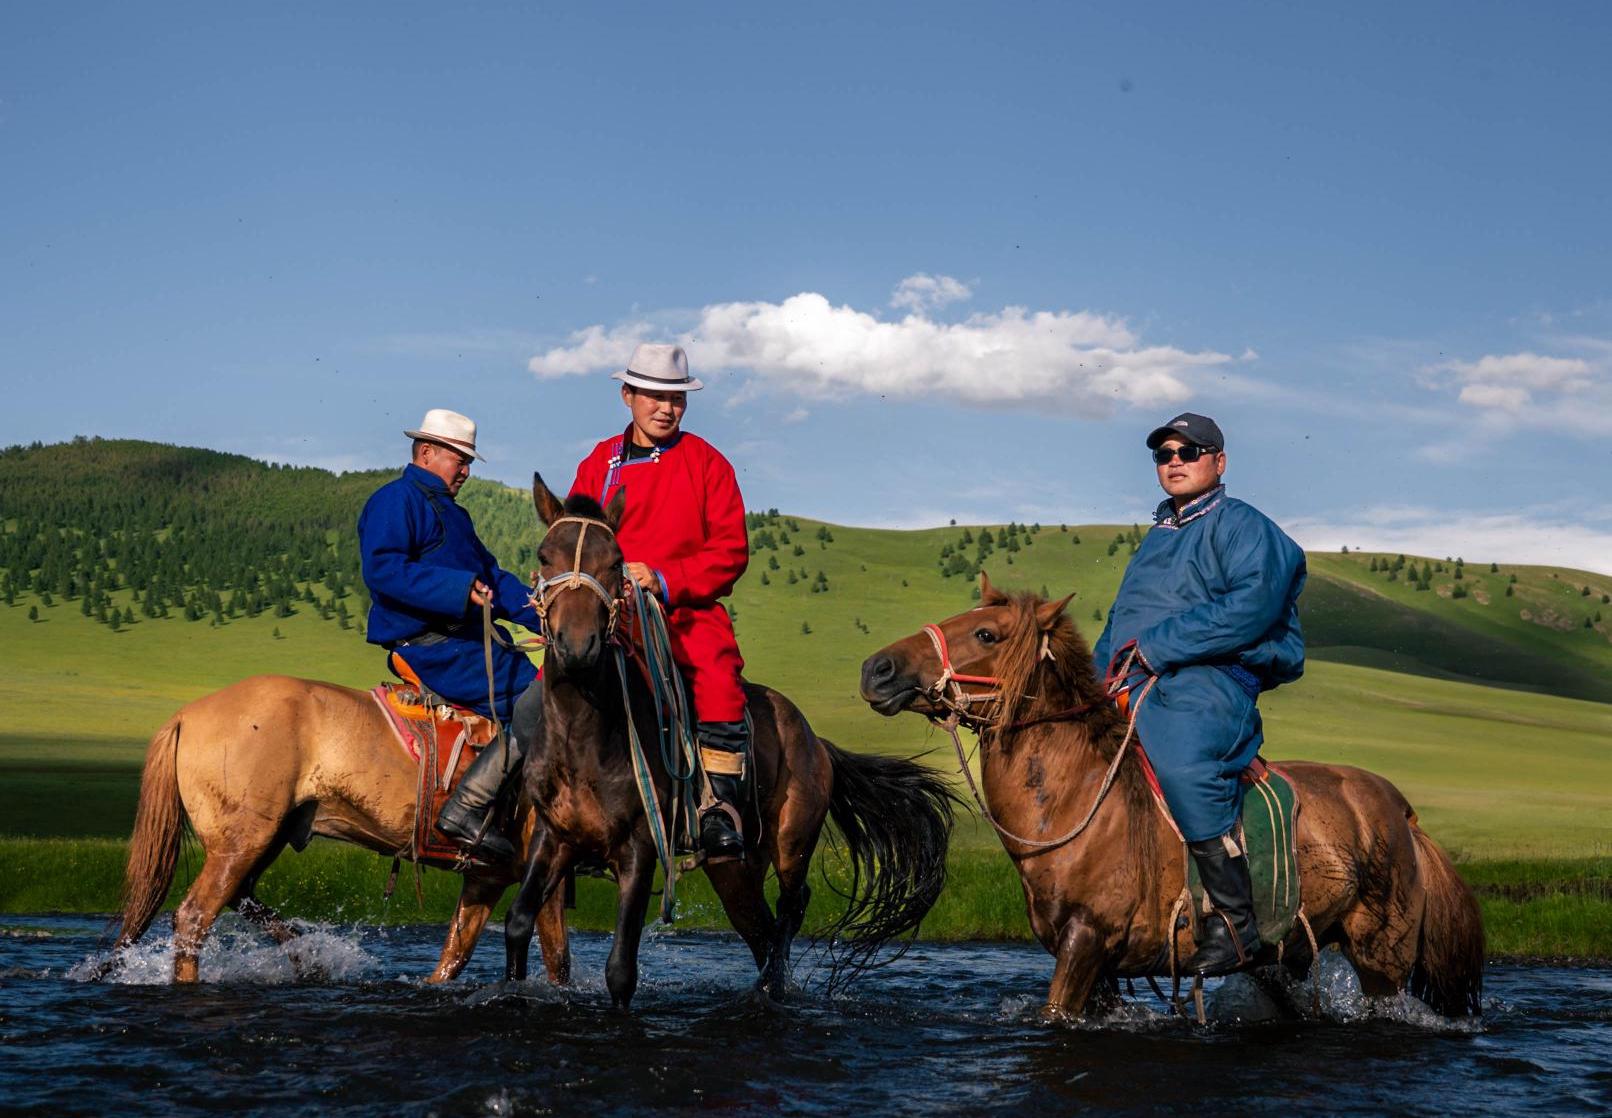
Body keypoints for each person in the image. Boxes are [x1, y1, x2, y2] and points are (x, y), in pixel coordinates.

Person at [1092, 412, 1306, 976]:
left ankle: (1235, 923)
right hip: (1139, 679)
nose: (1175, 462)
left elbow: (1250, 608)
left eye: (1188, 452)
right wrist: (1090, 684)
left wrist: (1161, 645)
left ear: (1219, 461)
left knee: (1183, 761)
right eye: (1164, 455)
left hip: (1213, 679)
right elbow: (1120, 622)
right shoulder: (1159, 536)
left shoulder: (1246, 527)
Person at [567, 343, 752, 861]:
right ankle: (522, 794)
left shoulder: (708, 463)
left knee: (715, 676)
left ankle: (719, 808)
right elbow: (577, 536)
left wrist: (666, 579)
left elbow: (732, 550)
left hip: (684, 612)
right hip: (610, 613)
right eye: (653, 395)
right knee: (549, 684)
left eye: (676, 398)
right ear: (628, 395)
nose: (666, 408)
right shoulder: (597, 463)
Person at [357, 408, 542, 862]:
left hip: (463, 643)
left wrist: (544, 613)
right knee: (541, 701)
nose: (466, 469)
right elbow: (383, 570)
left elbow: (491, 578)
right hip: (432, 646)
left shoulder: (453, 515)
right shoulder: (395, 500)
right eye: (459, 458)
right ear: (425, 452)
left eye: (469, 461)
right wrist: (458, 590)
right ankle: (466, 809)